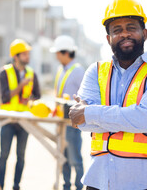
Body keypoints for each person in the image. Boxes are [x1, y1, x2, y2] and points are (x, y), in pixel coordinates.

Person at [69, 0, 147, 190]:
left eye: (131, 28)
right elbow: (83, 124)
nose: (125, 34)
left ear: (144, 33)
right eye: (117, 30)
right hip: (98, 181)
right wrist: (140, 120)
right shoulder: (95, 72)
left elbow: (144, 118)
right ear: (108, 38)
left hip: (145, 183)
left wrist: (89, 111)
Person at [0, 39, 41, 190]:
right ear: (16, 56)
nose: (27, 56)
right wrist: (20, 86)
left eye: (28, 54)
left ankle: (16, 186)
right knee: (4, 155)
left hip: (24, 121)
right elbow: (4, 97)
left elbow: (37, 95)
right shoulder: (5, 72)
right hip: (8, 120)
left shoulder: (31, 73)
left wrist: (31, 100)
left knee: (20, 156)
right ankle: (0, 186)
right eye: (25, 54)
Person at [50, 35, 85, 190]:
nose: (56, 56)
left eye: (58, 53)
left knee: (75, 159)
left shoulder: (77, 71)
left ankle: (78, 186)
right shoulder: (61, 70)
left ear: (65, 53)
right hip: (61, 121)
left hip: (72, 123)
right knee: (63, 158)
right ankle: (66, 186)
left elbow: (85, 97)